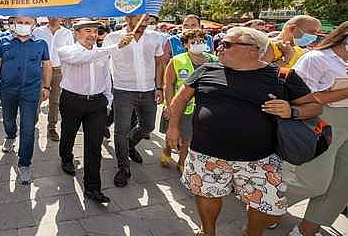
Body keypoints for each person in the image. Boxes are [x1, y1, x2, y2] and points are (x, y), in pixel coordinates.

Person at [166, 27, 322, 236]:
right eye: (220, 42)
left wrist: (292, 110)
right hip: (205, 154)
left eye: (227, 44)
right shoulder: (206, 70)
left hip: (260, 159)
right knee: (206, 195)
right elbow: (181, 98)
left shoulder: (282, 76)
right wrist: (173, 127)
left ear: (253, 50)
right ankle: (208, 231)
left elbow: (314, 107)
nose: (219, 46)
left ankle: (251, 232)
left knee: (265, 207)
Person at [57, 19, 134, 204]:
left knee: (94, 145)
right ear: (77, 33)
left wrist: (107, 101)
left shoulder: (102, 53)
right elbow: (81, 58)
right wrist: (115, 47)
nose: (92, 35)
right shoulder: (66, 51)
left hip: (97, 105)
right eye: (87, 31)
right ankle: (66, 158)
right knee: (68, 134)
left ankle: (92, 188)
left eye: (95, 31)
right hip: (72, 101)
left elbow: (106, 77)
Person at [286, 21, 348, 236]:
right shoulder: (316, 58)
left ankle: (307, 230)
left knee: (342, 183)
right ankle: (265, 205)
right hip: (322, 122)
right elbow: (300, 97)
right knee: (312, 182)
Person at [103, 14, 164, 187]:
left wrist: (159, 87)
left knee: (148, 126)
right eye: (140, 19)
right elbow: (102, 58)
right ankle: (123, 168)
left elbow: (159, 62)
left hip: (148, 90)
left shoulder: (155, 37)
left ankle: (129, 146)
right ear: (128, 18)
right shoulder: (112, 37)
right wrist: (118, 45)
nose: (144, 23)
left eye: (147, 20)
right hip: (123, 90)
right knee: (121, 131)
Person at [0, 16, 51, 184]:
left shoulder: (41, 44)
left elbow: (46, 65)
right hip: (8, 89)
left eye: (27, 22)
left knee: (28, 127)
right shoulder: (3, 41)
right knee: (8, 119)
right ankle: (10, 136)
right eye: (20, 22)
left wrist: (46, 86)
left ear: (34, 24)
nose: (23, 25)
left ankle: (24, 164)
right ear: (14, 24)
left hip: (31, 91)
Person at [160, 29, 217, 173]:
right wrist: (169, 106)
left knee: (188, 138)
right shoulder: (177, 61)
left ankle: (182, 162)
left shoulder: (214, 61)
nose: (198, 44)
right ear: (186, 45)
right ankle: (167, 150)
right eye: (194, 42)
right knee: (173, 133)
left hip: (201, 108)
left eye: (201, 41)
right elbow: (168, 85)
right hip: (179, 106)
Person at [31, 17, 74, 141]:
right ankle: (32, 124)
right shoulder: (38, 31)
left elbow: (69, 53)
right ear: (48, 16)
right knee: (37, 98)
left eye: (58, 15)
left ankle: (52, 127)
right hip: (40, 70)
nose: (54, 17)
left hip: (58, 70)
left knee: (55, 101)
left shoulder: (67, 33)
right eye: (52, 14)